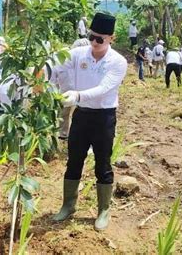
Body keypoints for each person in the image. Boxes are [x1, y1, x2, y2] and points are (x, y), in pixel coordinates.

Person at [52, 13, 127, 231]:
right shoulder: (77, 54)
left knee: (103, 164)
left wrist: (77, 95)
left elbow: (104, 88)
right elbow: (55, 64)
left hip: (104, 117)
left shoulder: (118, 62)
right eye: (92, 37)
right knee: (74, 160)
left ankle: (103, 210)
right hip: (82, 115)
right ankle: (68, 205)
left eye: (100, 39)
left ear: (111, 38)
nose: (95, 43)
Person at [50, 38, 91, 140]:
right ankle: (63, 134)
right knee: (64, 113)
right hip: (65, 91)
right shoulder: (61, 60)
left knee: (85, 115)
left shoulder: (90, 60)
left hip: (84, 93)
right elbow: (53, 79)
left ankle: (84, 137)